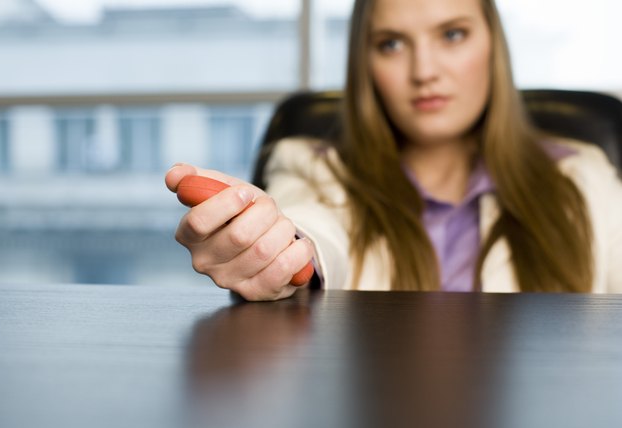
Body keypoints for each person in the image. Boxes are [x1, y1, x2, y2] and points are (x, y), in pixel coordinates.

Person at [165, 0, 622, 301]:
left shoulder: (585, 176)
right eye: (392, 44)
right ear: (366, 64)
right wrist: (279, 249)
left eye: (453, 35)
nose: (424, 70)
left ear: (493, 47)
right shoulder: (310, 164)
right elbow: (313, 230)